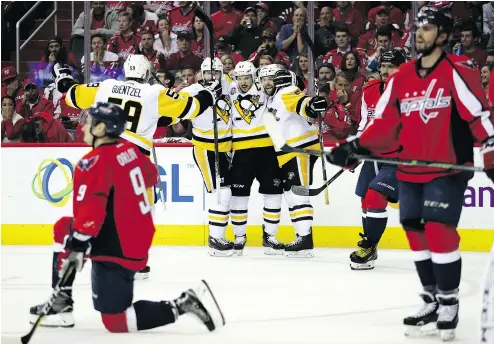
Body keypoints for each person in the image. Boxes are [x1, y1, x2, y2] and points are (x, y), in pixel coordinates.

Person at [325, 7, 494, 340]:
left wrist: (490, 157)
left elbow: (479, 118)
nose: (419, 34)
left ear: (443, 36)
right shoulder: (401, 78)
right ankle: (431, 298)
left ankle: (449, 303)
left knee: (439, 232)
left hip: (445, 168)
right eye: (417, 28)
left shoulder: (457, 71)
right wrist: (354, 147)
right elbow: (386, 124)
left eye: (428, 28)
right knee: (416, 234)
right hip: (408, 168)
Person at [29, 102, 225, 332]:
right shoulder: (128, 149)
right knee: (64, 227)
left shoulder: (93, 162)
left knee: (116, 322)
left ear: (101, 129)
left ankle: (184, 303)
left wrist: (77, 247)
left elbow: (90, 215)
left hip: (118, 246)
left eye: (89, 121)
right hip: (134, 235)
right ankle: (61, 305)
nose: (83, 125)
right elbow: (151, 175)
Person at [53, 54, 220, 276]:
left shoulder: (106, 87)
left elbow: (72, 97)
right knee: (139, 212)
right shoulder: (154, 93)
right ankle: (136, 262)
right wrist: (209, 93)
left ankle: (102, 257)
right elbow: (191, 108)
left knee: (103, 209)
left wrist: (65, 82)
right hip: (134, 160)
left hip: (104, 157)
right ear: (147, 73)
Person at [260, 64, 327, 257]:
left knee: (298, 194)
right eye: (263, 80)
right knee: (292, 193)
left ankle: (305, 239)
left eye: (269, 79)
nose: (266, 84)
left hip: (300, 149)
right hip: (291, 151)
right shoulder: (273, 99)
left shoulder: (286, 91)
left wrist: (312, 106)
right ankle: (303, 237)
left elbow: (300, 103)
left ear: (279, 80)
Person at [350, 48, 406, 271]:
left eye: (391, 67)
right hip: (374, 155)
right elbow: (365, 123)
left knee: (375, 195)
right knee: (366, 199)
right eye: (383, 66)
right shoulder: (370, 90)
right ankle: (370, 246)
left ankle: (368, 245)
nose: (385, 70)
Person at [229, 61, 285, 256]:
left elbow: (282, 82)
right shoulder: (230, 89)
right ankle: (239, 236)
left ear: (254, 77)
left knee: (274, 193)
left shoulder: (265, 90)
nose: (243, 82)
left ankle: (269, 235)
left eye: (247, 77)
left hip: (267, 150)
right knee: (238, 197)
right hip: (241, 152)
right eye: (240, 78)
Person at [179, 57, 233, 256]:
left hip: (226, 148)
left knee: (226, 191)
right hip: (206, 148)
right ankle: (215, 237)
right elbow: (177, 104)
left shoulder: (227, 86)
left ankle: (219, 235)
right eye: (209, 73)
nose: (213, 77)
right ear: (202, 74)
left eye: (216, 73)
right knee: (218, 192)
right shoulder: (194, 90)